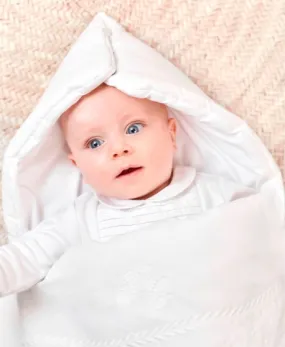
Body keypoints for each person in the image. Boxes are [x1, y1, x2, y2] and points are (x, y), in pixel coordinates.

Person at [0, 83, 254, 297]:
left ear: (171, 133)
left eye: (133, 128)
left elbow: (265, 231)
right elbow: (25, 257)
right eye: (95, 143)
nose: (118, 149)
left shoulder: (213, 194)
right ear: (78, 166)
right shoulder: (81, 219)